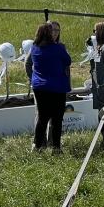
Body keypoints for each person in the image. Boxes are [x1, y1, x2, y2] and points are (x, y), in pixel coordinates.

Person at [27, 22, 71, 153]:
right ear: (48, 34)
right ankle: (56, 148)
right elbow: (68, 61)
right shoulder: (58, 48)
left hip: (39, 87)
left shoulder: (34, 48)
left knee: (42, 118)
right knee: (57, 118)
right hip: (57, 87)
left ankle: (37, 146)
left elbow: (30, 64)